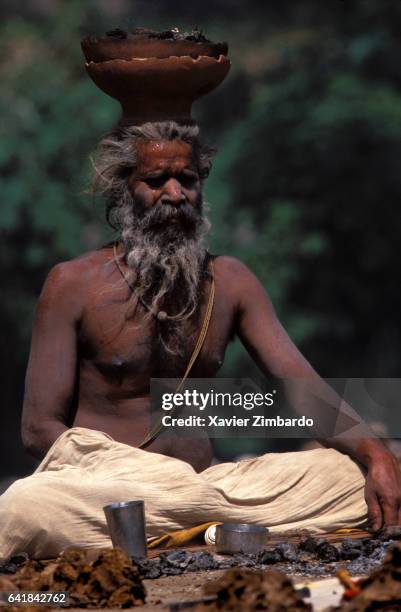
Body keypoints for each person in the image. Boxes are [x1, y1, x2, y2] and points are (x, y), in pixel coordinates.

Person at [1, 121, 400, 561]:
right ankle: (201, 524)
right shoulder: (71, 284)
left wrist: (376, 455)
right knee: (23, 507)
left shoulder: (230, 281)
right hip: (109, 491)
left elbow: (304, 393)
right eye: (155, 182)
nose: (174, 195)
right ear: (123, 190)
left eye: (186, 180)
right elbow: (38, 430)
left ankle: (197, 520)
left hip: (210, 488)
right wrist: (131, 471)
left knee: (353, 473)